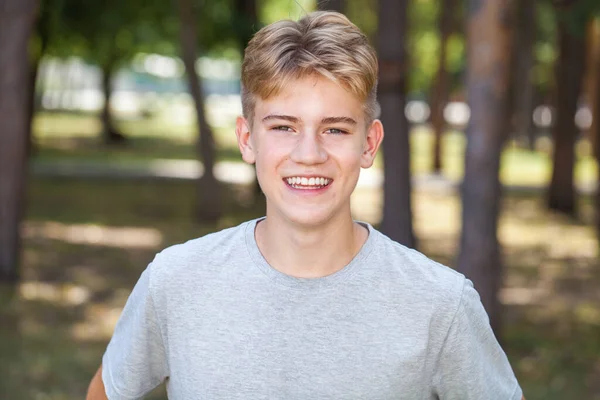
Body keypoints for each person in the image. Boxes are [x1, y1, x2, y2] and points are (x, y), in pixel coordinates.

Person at [86, 11, 524, 400]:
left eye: (335, 129)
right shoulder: (175, 282)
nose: (309, 153)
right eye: (283, 127)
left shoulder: (440, 303)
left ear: (369, 144)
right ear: (246, 139)